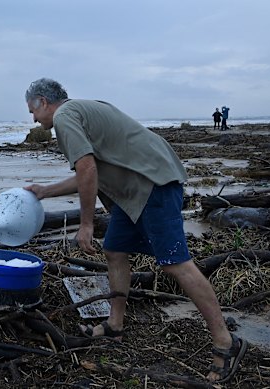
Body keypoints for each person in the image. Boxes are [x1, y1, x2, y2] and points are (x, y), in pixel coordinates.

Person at [23, 78, 247, 383]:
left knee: (175, 263)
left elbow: (87, 169)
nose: (33, 118)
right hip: (137, 191)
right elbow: (92, 172)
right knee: (114, 251)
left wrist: (86, 224)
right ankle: (115, 324)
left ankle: (225, 341)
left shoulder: (64, 117)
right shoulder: (81, 110)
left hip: (152, 184)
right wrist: (45, 191)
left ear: (43, 102)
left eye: (32, 110)